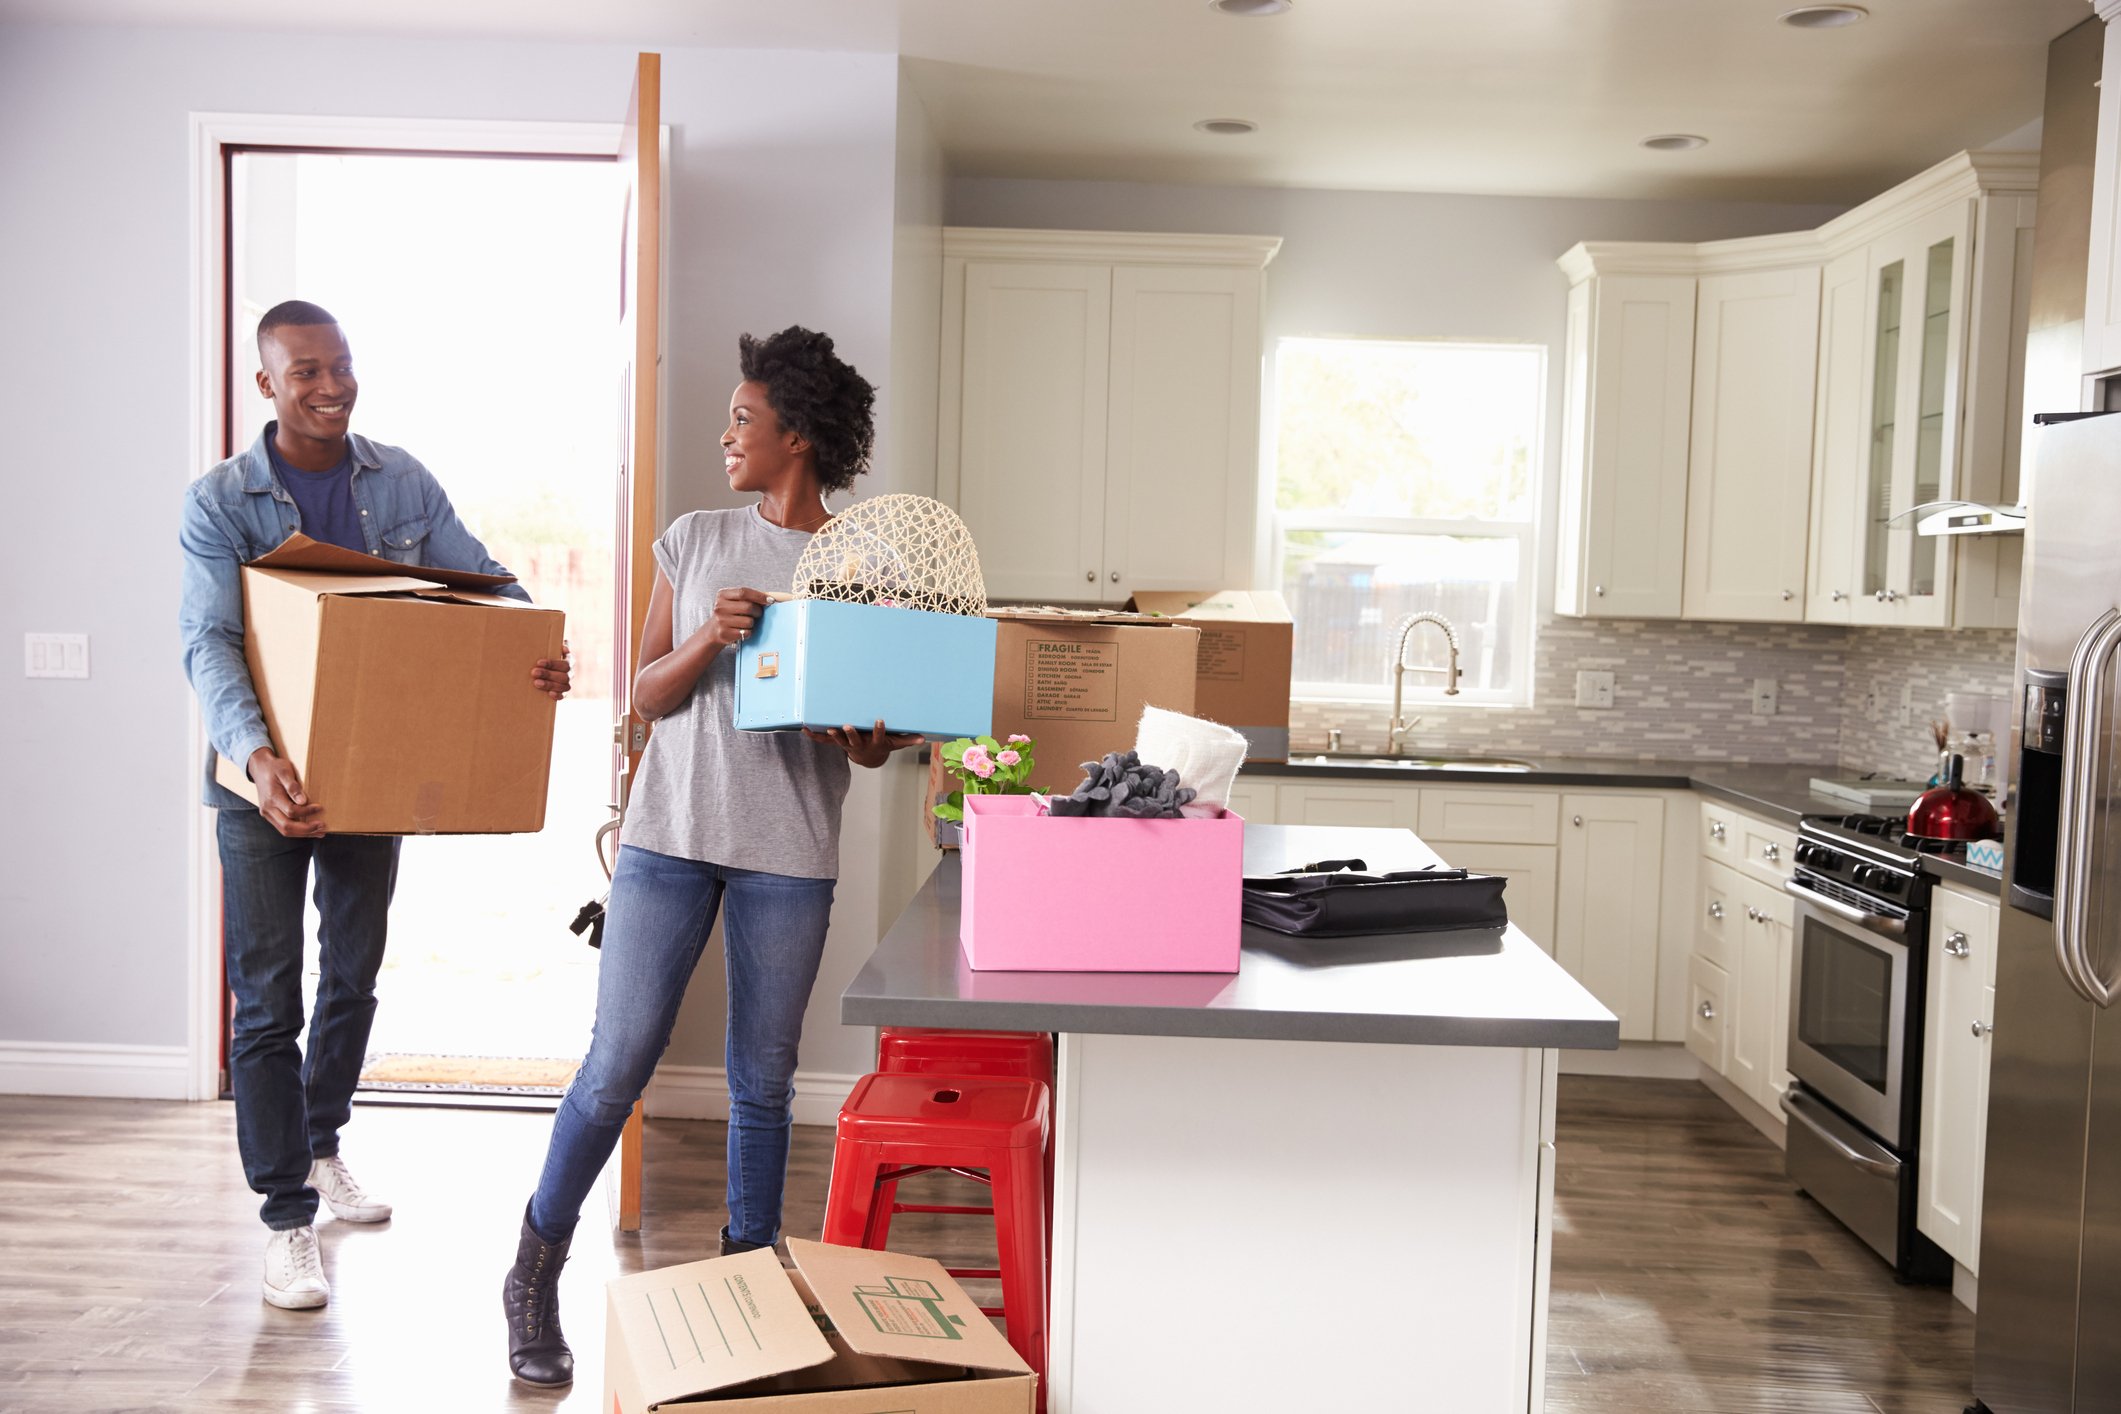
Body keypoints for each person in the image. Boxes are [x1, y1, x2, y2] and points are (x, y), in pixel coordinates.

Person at [501, 326, 919, 1387]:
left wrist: (861, 735)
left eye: (742, 419)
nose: (724, 434)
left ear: (798, 434)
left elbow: (878, 745)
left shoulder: (865, 563)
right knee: (617, 1063)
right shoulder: (692, 541)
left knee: (764, 1081)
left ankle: (747, 1290)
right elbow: (641, 693)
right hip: (667, 841)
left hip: (789, 851)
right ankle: (535, 1263)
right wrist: (707, 640)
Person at [179, 300, 572, 1311]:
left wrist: (529, 643)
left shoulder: (398, 479)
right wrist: (260, 760)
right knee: (268, 998)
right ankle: (283, 1218)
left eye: (340, 365)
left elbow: (479, 581)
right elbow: (210, 642)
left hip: (369, 768)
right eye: (304, 370)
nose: (329, 385)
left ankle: (321, 1143)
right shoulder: (223, 500)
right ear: (266, 384)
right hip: (262, 780)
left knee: (351, 974)